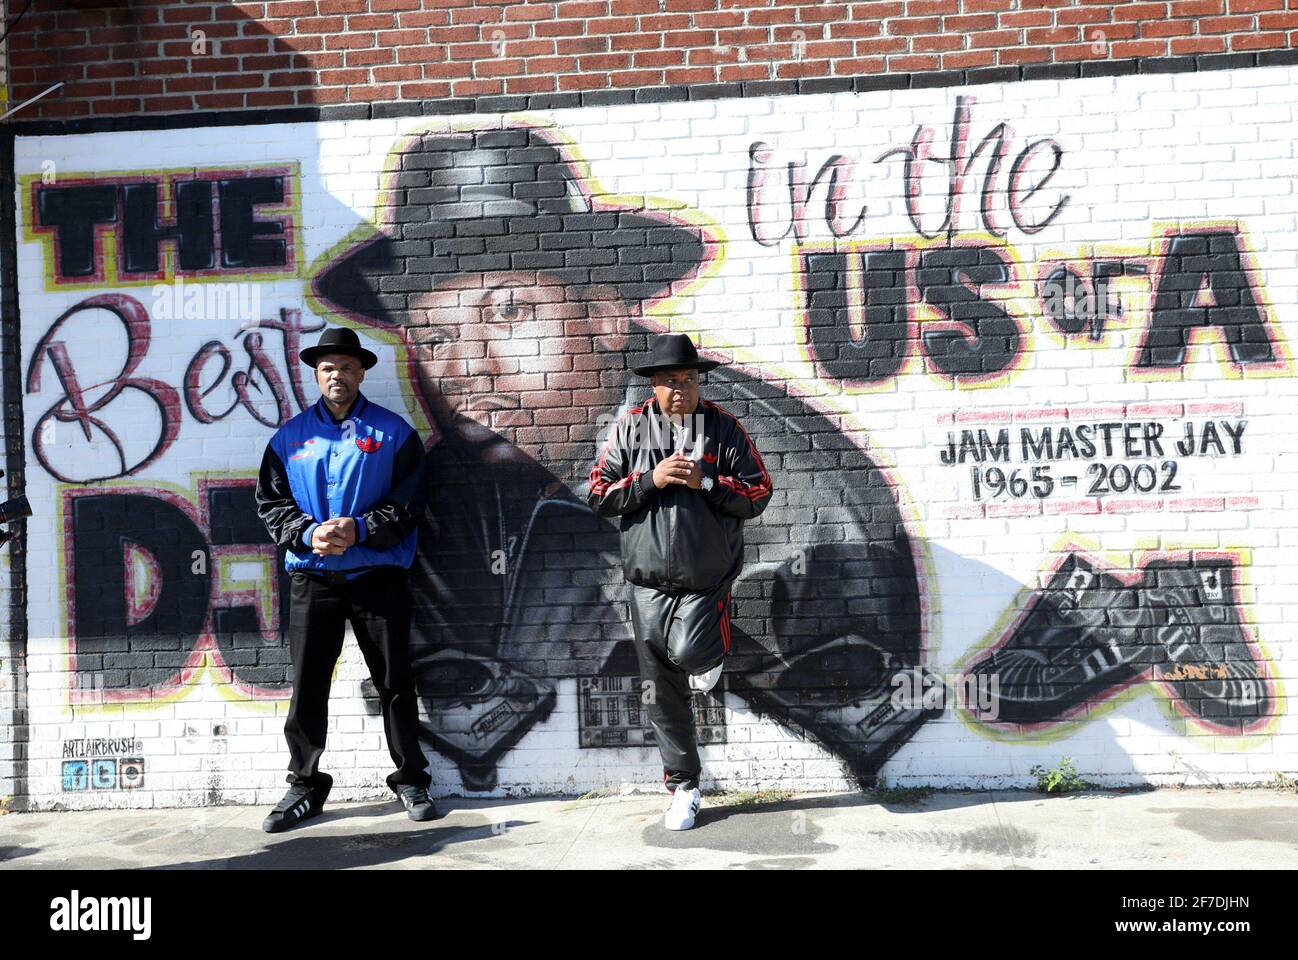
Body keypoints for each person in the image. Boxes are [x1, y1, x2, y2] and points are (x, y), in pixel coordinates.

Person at [312, 122, 932, 800]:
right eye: (434, 336)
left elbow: (842, 736)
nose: (469, 369)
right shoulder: (461, 474)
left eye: (510, 313)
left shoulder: (780, 484)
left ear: (606, 317)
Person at [254, 325, 436, 832]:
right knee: (308, 685)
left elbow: (410, 503)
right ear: (317, 374)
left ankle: (411, 776)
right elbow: (271, 505)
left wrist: (358, 529)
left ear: (361, 374)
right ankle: (305, 784)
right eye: (329, 367)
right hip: (314, 580)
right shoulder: (289, 438)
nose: (339, 375)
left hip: (378, 576)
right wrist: (308, 534)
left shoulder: (394, 433)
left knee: (395, 681)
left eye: (348, 367)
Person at [588, 333, 772, 830]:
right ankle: (685, 786)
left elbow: (757, 494)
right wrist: (651, 480)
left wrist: (705, 483)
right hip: (646, 581)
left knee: (691, 653)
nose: (680, 390)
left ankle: (711, 652)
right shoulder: (630, 430)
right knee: (662, 690)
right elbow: (599, 493)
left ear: (698, 383)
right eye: (671, 381)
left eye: (688, 380)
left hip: (706, 576)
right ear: (654, 385)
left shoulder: (724, 429)